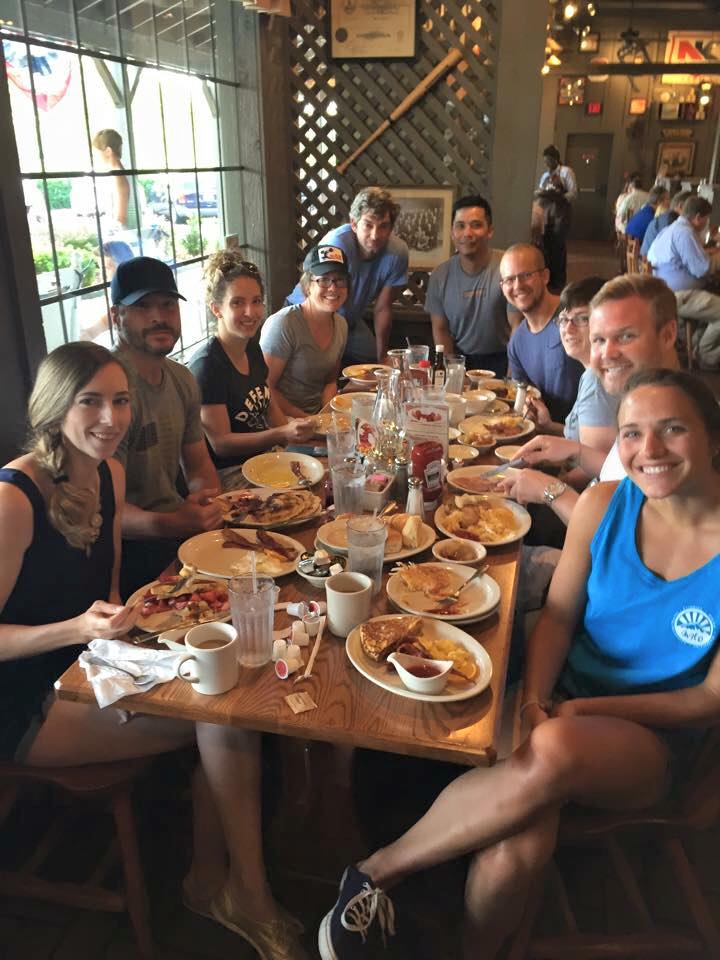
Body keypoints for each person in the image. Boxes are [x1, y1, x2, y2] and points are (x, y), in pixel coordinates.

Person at [318, 368, 720, 960]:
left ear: (713, 438)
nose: (649, 449)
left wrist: (576, 714)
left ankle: (376, 871)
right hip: (558, 702)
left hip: (651, 741)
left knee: (553, 749)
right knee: (517, 843)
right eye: (632, 433)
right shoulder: (604, 505)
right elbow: (557, 616)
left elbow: (709, 699)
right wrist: (534, 701)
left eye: (673, 429)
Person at [0, 342, 310, 960]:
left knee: (228, 687)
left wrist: (143, 624)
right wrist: (77, 631)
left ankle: (212, 879)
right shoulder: (14, 496)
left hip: (95, 666)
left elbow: (110, 587)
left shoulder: (108, 474)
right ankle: (241, 894)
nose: (110, 418)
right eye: (90, 402)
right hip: (26, 700)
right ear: (55, 409)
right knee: (223, 714)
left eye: (120, 401)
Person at [110, 256, 224, 598]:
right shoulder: (107, 393)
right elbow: (103, 511)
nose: (159, 317)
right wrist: (174, 523)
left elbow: (199, 465)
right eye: (143, 307)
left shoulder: (182, 379)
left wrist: (206, 505)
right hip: (123, 554)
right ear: (116, 316)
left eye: (168, 305)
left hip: (177, 534)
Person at [514, 274, 680, 495]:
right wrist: (573, 449)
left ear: (667, 335)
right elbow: (617, 473)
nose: (607, 354)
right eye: (599, 340)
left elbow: (623, 509)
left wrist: (550, 491)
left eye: (626, 336)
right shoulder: (641, 407)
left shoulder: (679, 427)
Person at [188, 250, 315, 486]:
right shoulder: (207, 365)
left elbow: (270, 406)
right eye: (237, 303)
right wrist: (282, 433)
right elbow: (221, 444)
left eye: (256, 301)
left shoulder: (251, 348)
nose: (250, 312)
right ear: (216, 309)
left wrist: (295, 437)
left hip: (267, 458)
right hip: (230, 474)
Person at [500, 276, 617, 525]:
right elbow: (585, 445)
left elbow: (597, 470)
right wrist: (549, 426)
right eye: (564, 319)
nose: (568, 328)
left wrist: (546, 487)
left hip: (589, 512)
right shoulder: (591, 375)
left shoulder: (596, 382)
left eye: (582, 319)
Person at [285, 188, 408, 365]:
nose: (375, 235)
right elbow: (321, 293)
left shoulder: (398, 252)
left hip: (346, 319)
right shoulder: (336, 244)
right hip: (308, 312)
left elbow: (383, 308)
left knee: (371, 359)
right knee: (317, 364)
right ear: (354, 224)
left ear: (391, 228)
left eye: (383, 226)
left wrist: (381, 357)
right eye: (368, 225)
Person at [425, 194, 515, 377]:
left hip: (504, 358)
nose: (467, 233)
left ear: (490, 231)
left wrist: (511, 376)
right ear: (452, 232)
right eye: (460, 226)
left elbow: (518, 326)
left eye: (476, 225)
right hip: (460, 360)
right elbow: (440, 328)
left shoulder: (508, 267)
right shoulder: (440, 275)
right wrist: (451, 371)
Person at [261, 244, 349, 417]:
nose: (333, 288)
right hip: (282, 421)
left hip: (317, 418)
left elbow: (330, 382)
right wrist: (304, 419)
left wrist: (326, 417)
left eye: (340, 280)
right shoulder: (283, 324)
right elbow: (265, 387)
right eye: (323, 279)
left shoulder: (341, 325)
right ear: (307, 285)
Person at [500, 243, 583, 422]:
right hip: (546, 432)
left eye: (526, 275)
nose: (518, 285)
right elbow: (522, 400)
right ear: (502, 287)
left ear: (545, 276)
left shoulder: (575, 319)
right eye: (509, 280)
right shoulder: (517, 342)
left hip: (592, 434)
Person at [647, 195, 720, 368]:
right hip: (680, 295)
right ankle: (706, 355)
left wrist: (706, 255)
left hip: (666, 291)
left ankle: (695, 347)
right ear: (698, 217)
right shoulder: (685, 233)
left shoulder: (672, 229)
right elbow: (701, 269)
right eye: (706, 219)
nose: (706, 223)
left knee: (712, 303)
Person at [92, 129, 139, 232]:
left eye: (97, 153)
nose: (95, 157)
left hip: (126, 237)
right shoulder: (125, 174)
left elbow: (120, 220)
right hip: (132, 234)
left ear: (108, 151)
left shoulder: (118, 176)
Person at [640, 189, 692, 259]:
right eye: (691, 208)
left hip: (645, 258)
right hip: (650, 262)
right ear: (681, 206)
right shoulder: (673, 220)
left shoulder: (667, 215)